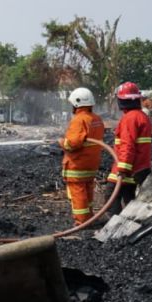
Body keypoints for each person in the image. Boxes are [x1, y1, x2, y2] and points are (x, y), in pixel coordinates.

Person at [60, 87, 105, 225]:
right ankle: (89, 217)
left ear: (77, 103)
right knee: (87, 191)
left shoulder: (79, 120)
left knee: (78, 192)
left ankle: (82, 221)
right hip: (91, 164)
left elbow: (72, 144)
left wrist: (62, 142)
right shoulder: (96, 119)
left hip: (77, 164)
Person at [107, 81, 152, 214]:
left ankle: (115, 223)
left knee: (111, 195)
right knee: (129, 198)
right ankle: (131, 220)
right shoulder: (142, 116)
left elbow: (127, 145)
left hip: (128, 168)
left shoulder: (130, 118)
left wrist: (123, 169)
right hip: (139, 167)